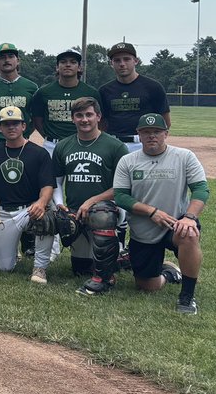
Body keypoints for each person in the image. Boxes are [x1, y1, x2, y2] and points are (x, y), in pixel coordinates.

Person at [111, 113, 207, 314]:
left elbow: (200, 189)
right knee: (147, 285)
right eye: (146, 132)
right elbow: (120, 196)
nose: (151, 136)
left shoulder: (184, 156)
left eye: (156, 131)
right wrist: (151, 212)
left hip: (176, 221)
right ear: (138, 134)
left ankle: (187, 296)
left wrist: (190, 218)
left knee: (189, 234)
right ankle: (170, 274)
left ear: (166, 134)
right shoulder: (128, 161)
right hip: (144, 229)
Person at [53, 97, 132, 283]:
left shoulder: (115, 146)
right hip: (76, 212)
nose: (84, 120)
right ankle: (120, 257)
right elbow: (56, 181)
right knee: (81, 270)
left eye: (89, 115)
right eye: (79, 115)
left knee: (101, 216)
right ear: (72, 118)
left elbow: (124, 186)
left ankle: (121, 256)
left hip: (106, 210)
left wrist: (92, 201)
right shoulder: (63, 145)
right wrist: (60, 204)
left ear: (98, 116)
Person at [0, 107, 55, 282]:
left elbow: (48, 186)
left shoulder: (39, 153)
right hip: (3, 212)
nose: (11, 127)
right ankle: (11, 253)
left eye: (15, 123)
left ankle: (40, 268)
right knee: (3, 268)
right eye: (6, 124)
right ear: (0, 128)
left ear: (24, 126)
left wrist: (41, 202)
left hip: (29, 210)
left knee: (46, 217)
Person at [29, 49, 102, 158]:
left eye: (73, 62)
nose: (68, 65)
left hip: (82, 144)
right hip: (52, 145)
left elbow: (100, 120)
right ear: (57, 67)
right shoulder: (44, 92)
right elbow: (37, 119)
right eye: (63, 62)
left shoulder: (91, 92)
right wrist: (47, 136)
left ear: (79, 67)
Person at [100, 42, 171, 152]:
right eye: (117, 60)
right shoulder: (104, 90)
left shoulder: (153, 87)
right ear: (111, 63)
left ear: (136, 61)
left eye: (126, 59)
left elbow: (165, 121)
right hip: (113, 144)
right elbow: (102, 122)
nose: (122, 64)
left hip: (142, 143)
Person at [0, 43, 38, 150]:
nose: (7, 60)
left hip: (21, 142)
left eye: (11, 56)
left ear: (18, 60)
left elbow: (36, 117)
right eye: (2, 57)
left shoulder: (31, 87)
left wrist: (26, 132)